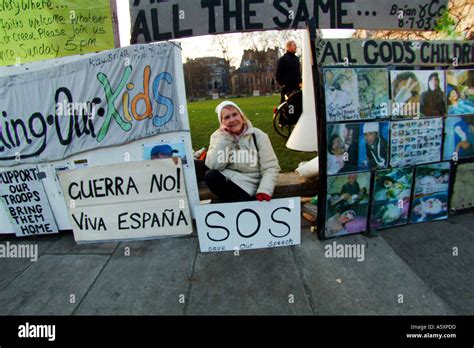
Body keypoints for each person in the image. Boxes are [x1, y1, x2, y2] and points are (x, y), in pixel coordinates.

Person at [204, 101, 280, 203]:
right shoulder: (218, 137)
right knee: (211, 175)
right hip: (230, 182)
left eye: (235, 114)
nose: (232, 120)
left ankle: (234, 206)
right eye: (227, 117)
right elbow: (214, 165)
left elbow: (270, 167)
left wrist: (264, 190)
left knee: (238, 201)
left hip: (251, 185)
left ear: (242, 116)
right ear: (222, 123)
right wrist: (225, 138)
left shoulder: (258, 136)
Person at [275, 40, 302, 105]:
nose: (296, 47)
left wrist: (300, 82)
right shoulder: (283, 59)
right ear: (289, 47)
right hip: (287, 90)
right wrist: (283, 84)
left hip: (297, 89)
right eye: (294, 45)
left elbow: (298, 73)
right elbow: (278, 74)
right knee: (285, 108)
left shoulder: (296, 59)